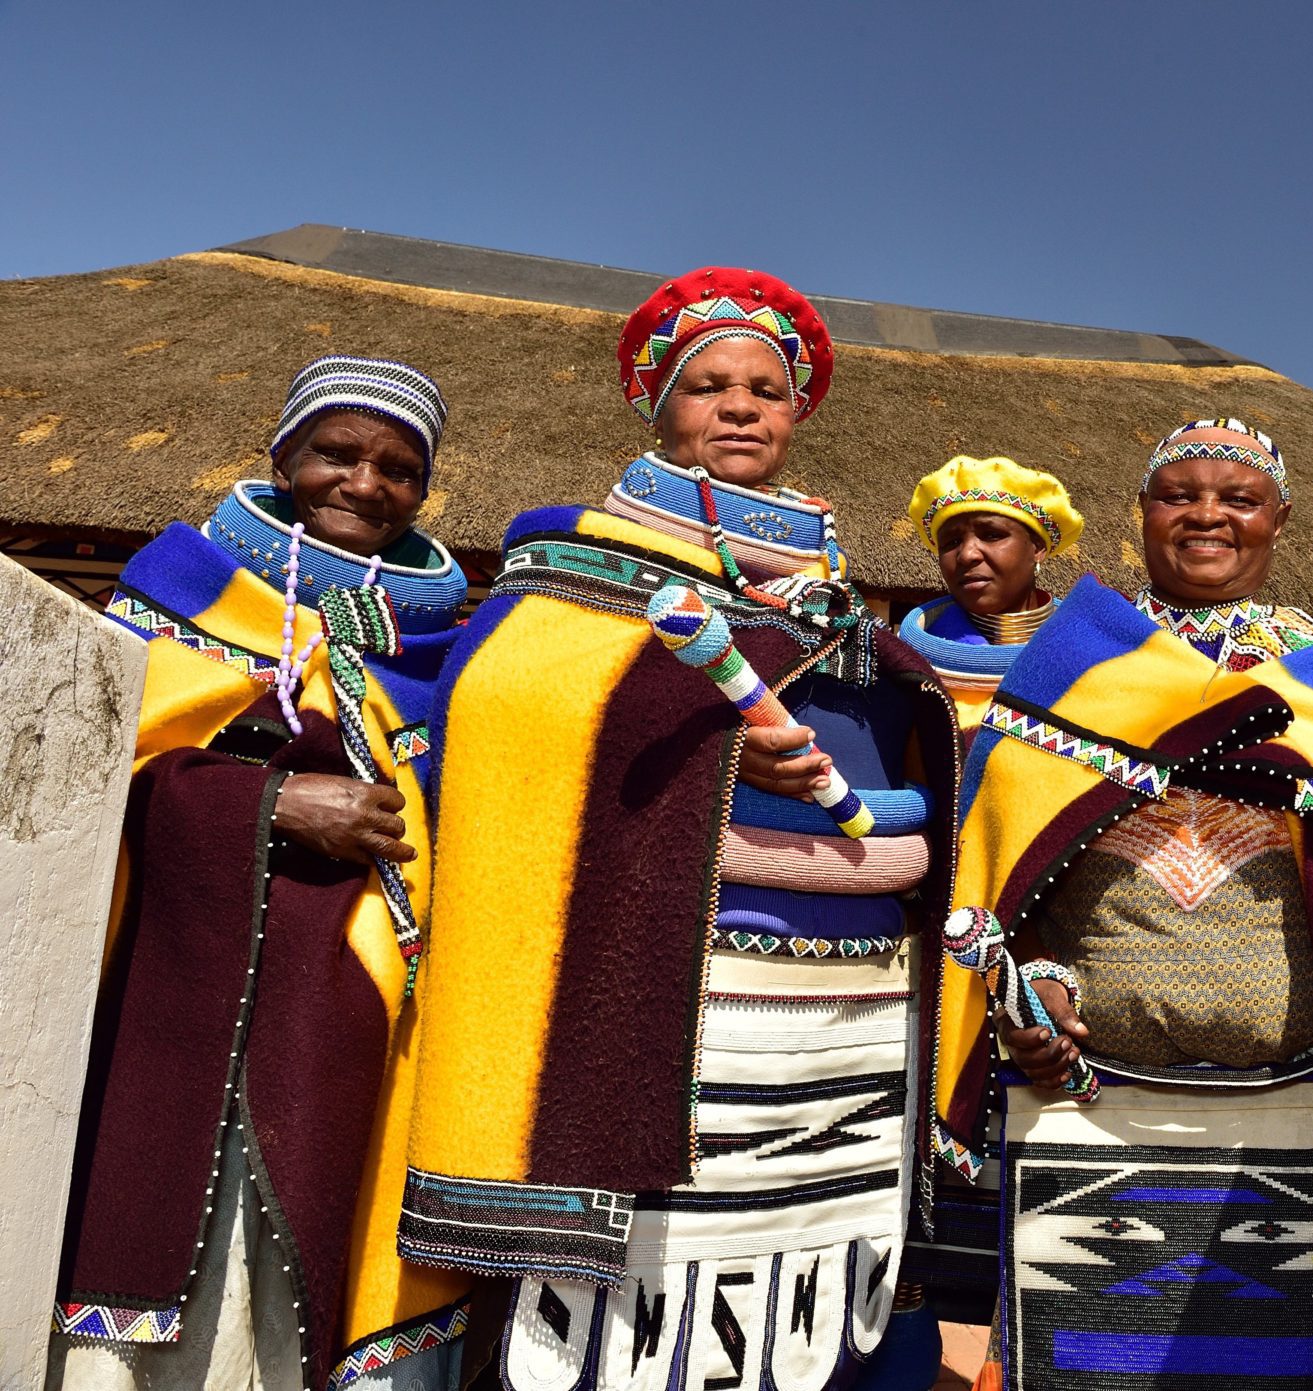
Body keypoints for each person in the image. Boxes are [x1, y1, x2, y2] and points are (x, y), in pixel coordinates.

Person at [402, 269, 960, 1391]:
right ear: (657, 406)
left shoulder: (834, 591)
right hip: (668, 992)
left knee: (811, 1297)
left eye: (765, 388)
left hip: (849, 1014)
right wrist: (709, 749)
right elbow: (500, 714)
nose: (740, 406)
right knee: (630, 1310)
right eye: (708, 386)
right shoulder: (579, 569)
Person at [936, 419, 1313, 1389]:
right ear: (1141, 514)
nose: (1205, 515)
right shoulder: (1073, 663)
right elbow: (1009, 879)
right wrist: (1037, 995)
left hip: (1304, 1116)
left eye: (1236, 498)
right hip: (1093, 1110)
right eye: (1177, 495)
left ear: (1279, 517)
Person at [53, 356, 471, 1390]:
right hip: (175, 998)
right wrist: (269, 803)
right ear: (283, 454)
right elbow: (82, 775)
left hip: (355, 1014)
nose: (365, 484)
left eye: (397, 468)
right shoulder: (181, 585)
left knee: (299, 1284)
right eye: (337, 452)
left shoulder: (448, 642)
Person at [898, 454, 1084, 741]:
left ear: (1037, 549)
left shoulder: (1093, 656)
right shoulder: (905, 669)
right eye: (952, 542)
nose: (968, 554)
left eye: (992, 535)